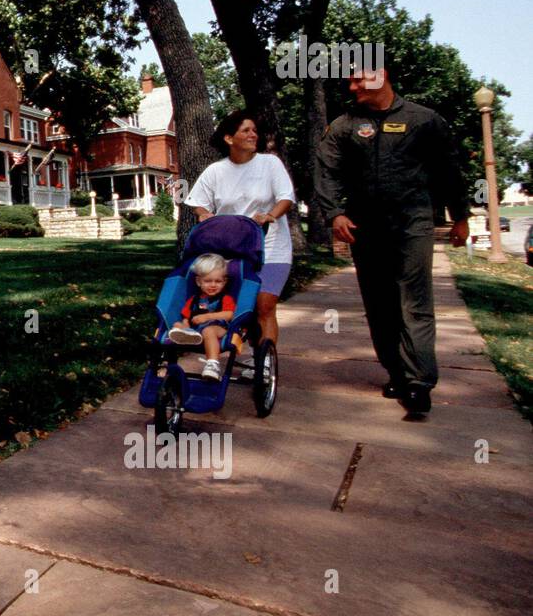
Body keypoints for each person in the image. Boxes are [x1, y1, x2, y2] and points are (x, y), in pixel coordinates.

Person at [314, 65, 470, 417]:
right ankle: (397, 373)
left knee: (413, 300)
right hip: (365, 227)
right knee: (380, 303)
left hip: (412, 223)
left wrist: (460, 216)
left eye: (357, 79)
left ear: (380, 74)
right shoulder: (344, 126)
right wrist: (335, 213)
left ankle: (419, 383)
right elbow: (328, 171)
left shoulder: (424, 120)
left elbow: (448, 170)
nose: (352, 87)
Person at [185, 111, 296, 357]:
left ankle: (264, 364)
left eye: (254, 130)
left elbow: (286, 197)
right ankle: (234, 343)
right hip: (232, 250)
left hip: (271, 245)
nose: (253, 134)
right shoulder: (216, 170)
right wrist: (204, 213)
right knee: (241, 305)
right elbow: (196, 200)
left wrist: (271, 215)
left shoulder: (270, 163)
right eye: (246, 130)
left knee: (264, 306)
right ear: (228, 138)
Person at [168, 253, 239, 382]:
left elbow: (230, 314)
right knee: (177, 325)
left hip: (219, 328)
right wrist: (185, 325)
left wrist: (208, 316)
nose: (213, 285)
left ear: (224, 282)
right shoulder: (194, 299)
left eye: (218, 281)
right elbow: (186, 317)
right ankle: (188, 336)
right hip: (196, 330)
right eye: (208, 281)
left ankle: (212, 364)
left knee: (208, 331)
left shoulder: (225, 298)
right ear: (198, 282)